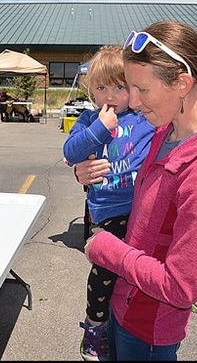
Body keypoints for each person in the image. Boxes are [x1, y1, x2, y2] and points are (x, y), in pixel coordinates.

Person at [78, 20, 197, 361]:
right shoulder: (164, 131)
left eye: (141, 90)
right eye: (128, 87)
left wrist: (107, 250)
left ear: (182, 83)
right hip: (123, 302)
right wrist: (83, 170)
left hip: (148, 329)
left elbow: (181, 287)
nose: (131, 101)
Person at [63, 45, 155, 361]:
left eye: (120, 86)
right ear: (91, 91)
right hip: (109, 210)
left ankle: (186, 285)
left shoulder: (144, 119)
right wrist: (99, 129)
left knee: (159, 244)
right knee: (106, 267)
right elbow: (71, 152)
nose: (110, 95)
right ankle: (94, 325)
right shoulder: (90, 119)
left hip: (142, 203)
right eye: (101, 87)